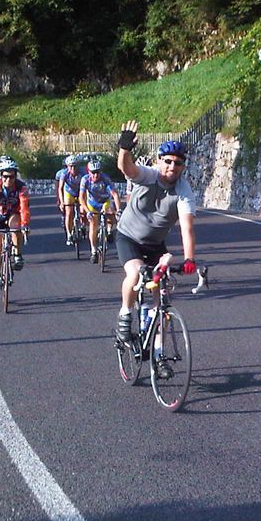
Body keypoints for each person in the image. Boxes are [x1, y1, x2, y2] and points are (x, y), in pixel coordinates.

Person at [113, 121, 197, 371]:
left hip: (155, 243)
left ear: (183, 167)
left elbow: (187, 227)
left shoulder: (184, 191)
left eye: (178, 163)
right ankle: (126, 315)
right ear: (159, 161)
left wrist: (190, 259)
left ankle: (159, 355)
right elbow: (126, 168)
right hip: (128, 237)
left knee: (163, 300)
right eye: (168, 161)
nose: (172, 166)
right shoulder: (149, 175)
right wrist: (124, 148)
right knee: (136, 273)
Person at [0, 158, 31, 299]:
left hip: (13, 213)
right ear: (1, 176)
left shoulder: (21, 188)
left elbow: (24, 209)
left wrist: (25, 225)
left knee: (16, 226)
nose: (8, 180)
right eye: (5, 176)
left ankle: (17, 254)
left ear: (15, 176)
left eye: (11, 176)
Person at [79, 158, 122, 263]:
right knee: (93, 225)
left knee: (111, 214)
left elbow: (115, 194)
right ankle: (93, 251)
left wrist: (119, 210)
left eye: (97, 172)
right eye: (93, 173)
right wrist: (87, 211)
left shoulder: (105, 179)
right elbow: (81, 198)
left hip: (104, 201)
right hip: (92, 203)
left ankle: (109, 230)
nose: (95, 175)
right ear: (88, 172)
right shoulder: (85, 180)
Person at [55, 154, 83, 245]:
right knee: (69, 212)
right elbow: (60, 188)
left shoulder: (83, 173)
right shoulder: (64, 174)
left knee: (83, 211)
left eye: (75, 166)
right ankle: (69, 234)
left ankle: (83, 225)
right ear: (67, 167)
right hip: (69, 192)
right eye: (71, 166)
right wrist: (62, 202)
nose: (73, 169)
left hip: (80, 192)